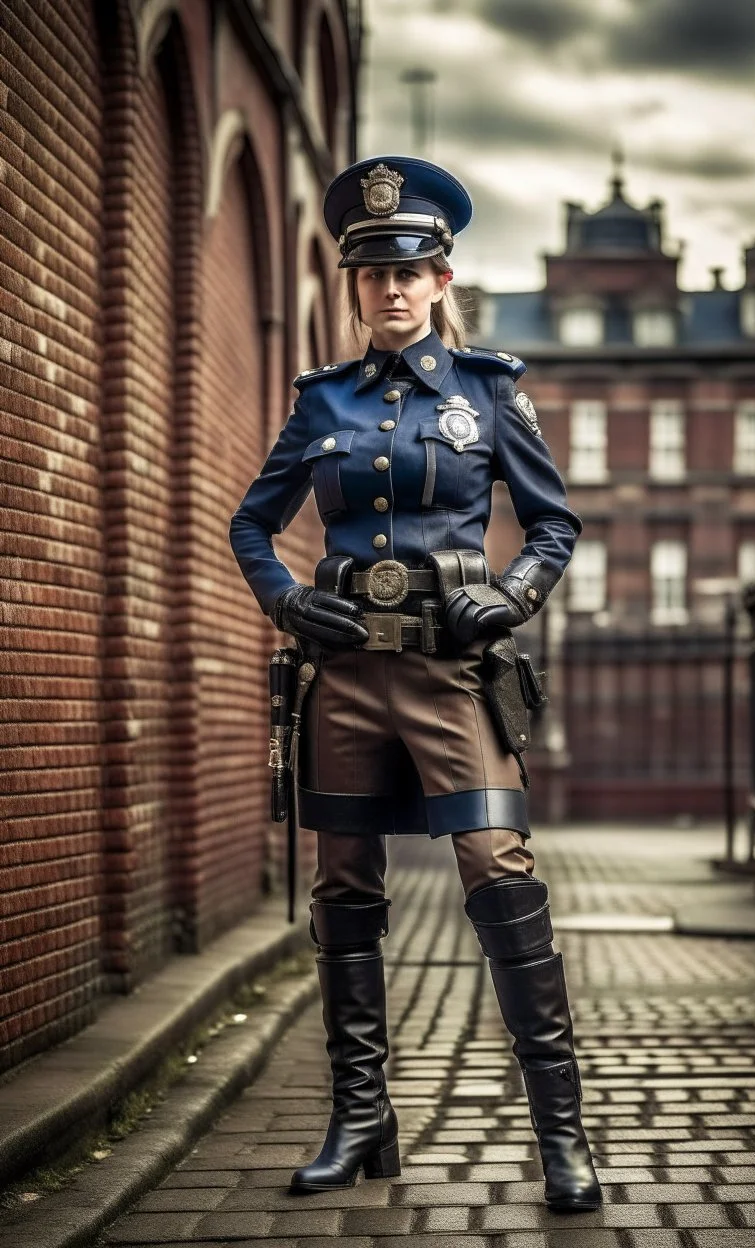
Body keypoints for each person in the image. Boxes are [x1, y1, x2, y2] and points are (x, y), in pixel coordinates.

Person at [229, 156, 601, 1213]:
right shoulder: (322, 402)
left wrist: (518, 593)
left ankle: (559, 1137)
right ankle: (360, 1119)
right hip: (342, 676)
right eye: (371, 274)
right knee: (343, 888)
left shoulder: (488, 394)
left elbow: (555, 521)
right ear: (354, 286)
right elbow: (252, 521)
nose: (390, 289)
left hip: (450, 677)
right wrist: (286, 602)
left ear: (441, 279)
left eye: (411, 270)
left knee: (500, 869)